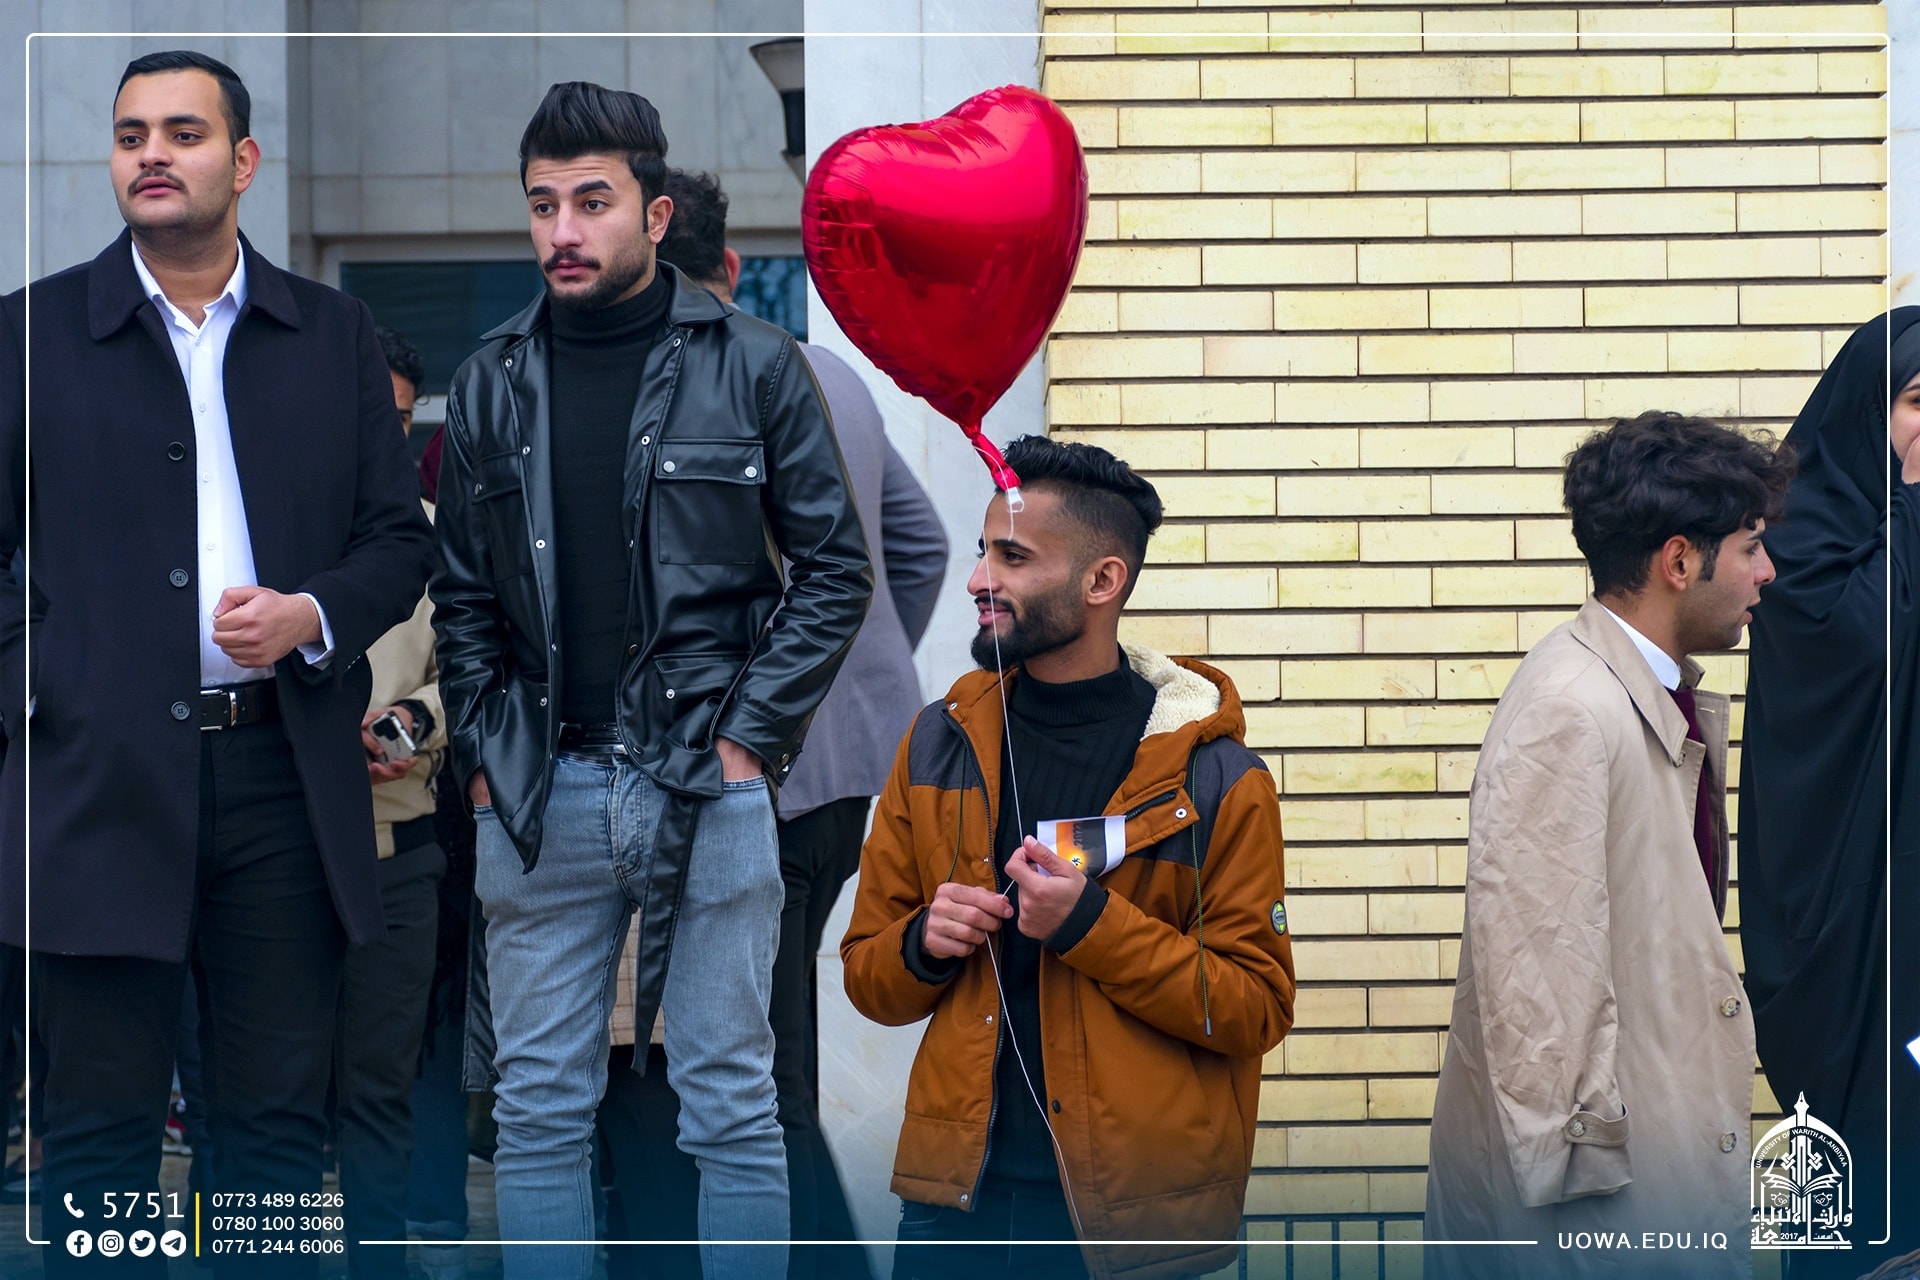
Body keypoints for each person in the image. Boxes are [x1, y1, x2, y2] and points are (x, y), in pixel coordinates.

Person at [0, 49, 432, 1276]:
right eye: (132, 133)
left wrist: (312, 613)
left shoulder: (332, 334)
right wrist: (45, 676)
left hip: (279, 776)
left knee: (275, 1136)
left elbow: (397, 540)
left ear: (242, 161)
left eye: (183, 133)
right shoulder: (28, 333)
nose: (152, 154)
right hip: (92, 780)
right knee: (98, 1135)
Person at [430, 81, 872, 1280]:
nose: (563, 230)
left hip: (707, 780)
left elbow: (836, 569)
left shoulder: (756, 362)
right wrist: (485, 764)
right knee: (537, 1110)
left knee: (730, 1100)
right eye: (543, 205)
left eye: (593, 202)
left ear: (656, 213)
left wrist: (748, 739)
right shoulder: (490, 379)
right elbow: (462, 596)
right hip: (539, 791)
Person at [588, 166, 946, 1280]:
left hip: (742, 780)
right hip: (850, 776)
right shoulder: (826, 371)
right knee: (765, 1052)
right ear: (732, 266)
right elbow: (919, 545)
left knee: (741, 1072)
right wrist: (850, 678)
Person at [841, 436, 1294, 1280]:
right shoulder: (938, 744)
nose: (978, 580)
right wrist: (923, 942)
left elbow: (1254, 1009)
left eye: (1012, 558)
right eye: (983, 552)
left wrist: (1092, 926)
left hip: (1130, 1226)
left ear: (1102, 580)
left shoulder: (1216, 778)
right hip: (953, 1208)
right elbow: (869, 979)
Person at [1425, 410, 1794, 1279]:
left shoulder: (1640, 695)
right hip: (1598, 1213)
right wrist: (1586, 1182)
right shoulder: (1571, 709)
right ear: (1679, 561)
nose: (1767, 572)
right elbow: (1536, 982)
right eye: (1750, 547)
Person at [330, 324, 449, 1279]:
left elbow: (483, 667)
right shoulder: (253, 522)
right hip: (274, 852)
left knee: (379, 1090)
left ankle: (376, 1264)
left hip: (396, 852)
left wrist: (413, 723)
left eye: (401, 418)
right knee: (262, 1099)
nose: (384, 431)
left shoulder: (439, 534)